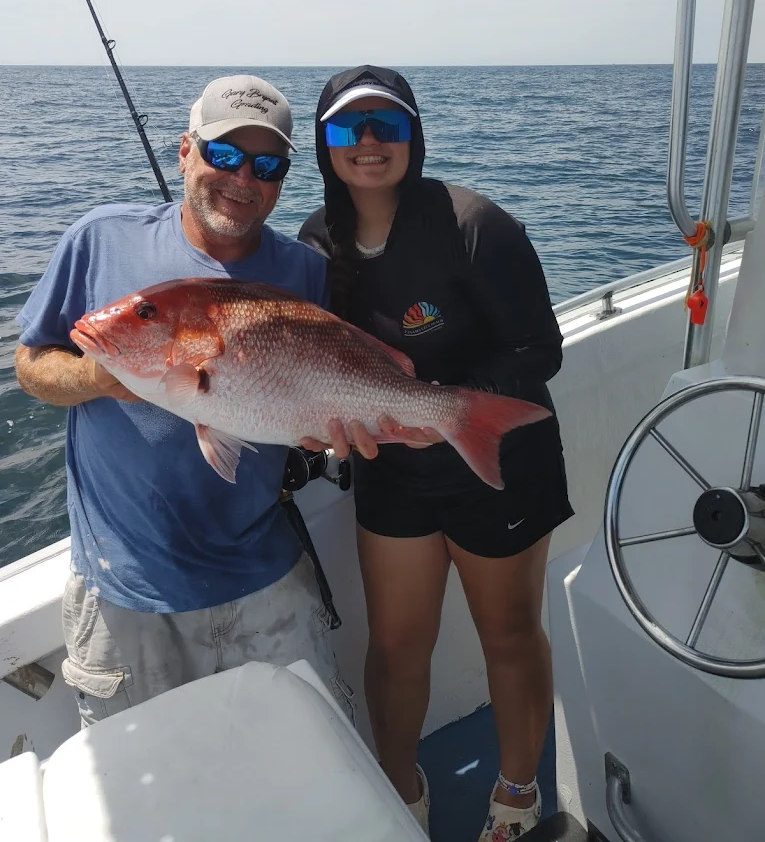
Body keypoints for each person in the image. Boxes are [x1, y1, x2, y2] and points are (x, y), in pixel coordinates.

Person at [15, 74, 354, 727]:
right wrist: (100, 377)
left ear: (282, 177)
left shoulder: (304, 270)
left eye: (266, 164)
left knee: (303, 755)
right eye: (223, 154)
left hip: (265, 571)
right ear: (183, 151)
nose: (242, 177)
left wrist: (317, 428)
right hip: (126, 589)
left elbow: (304, 388)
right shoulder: (100, 239)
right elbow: (30, 366)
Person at [298, 65, 572, 840]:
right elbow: (309, 367)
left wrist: (446, 406)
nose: (371, 143)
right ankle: (399, 792)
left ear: (414, 134)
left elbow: (538, 349)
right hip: (395, 474)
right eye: (350, 129)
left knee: (509, 635)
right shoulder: (315, 243)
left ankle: (515, 797)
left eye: (388, 124)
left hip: (500, 465)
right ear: (324, 145)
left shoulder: (474, 223)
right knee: (393, 646)